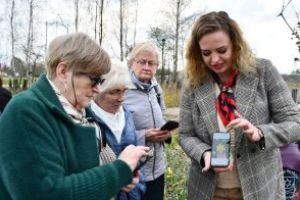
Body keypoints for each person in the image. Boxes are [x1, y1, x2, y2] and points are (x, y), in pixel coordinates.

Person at [0, 32, 149, 200]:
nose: (98, 89)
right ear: (63, 71)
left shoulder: (83, 111)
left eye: (101, 81)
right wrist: (119, 170)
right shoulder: (25, 111)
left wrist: (123, 176)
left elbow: (100, 168)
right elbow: (47, 194)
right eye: (93, 79)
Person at [178, 11, 300, 200]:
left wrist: (260, 133)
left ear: (235, 44)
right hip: (208, 190)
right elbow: (186, 135)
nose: (215, 59)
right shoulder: (193, 82)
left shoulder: (263, 72)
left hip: (258, 188)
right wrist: (205, 154)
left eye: (222, 50)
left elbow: (294, 124)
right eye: (206, 53)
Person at [91, 61, 146, 200]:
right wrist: (116, 179)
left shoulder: (126, 113)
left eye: (124, 91)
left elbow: (134, 152)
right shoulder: (87, 120)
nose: (122, 98)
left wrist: (138, 183)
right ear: (98, 90)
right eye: (115, 92)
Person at [124, 42, 171, 200]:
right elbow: (111, 134)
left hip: (157, 171)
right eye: (141, 61)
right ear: (132, 63)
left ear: (157, 66)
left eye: (151, 63)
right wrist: (144, 136)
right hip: (133, 174)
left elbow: (162, 114)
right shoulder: (120, 90)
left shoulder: (156, 89)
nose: (146, 66)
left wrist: (165, 131)